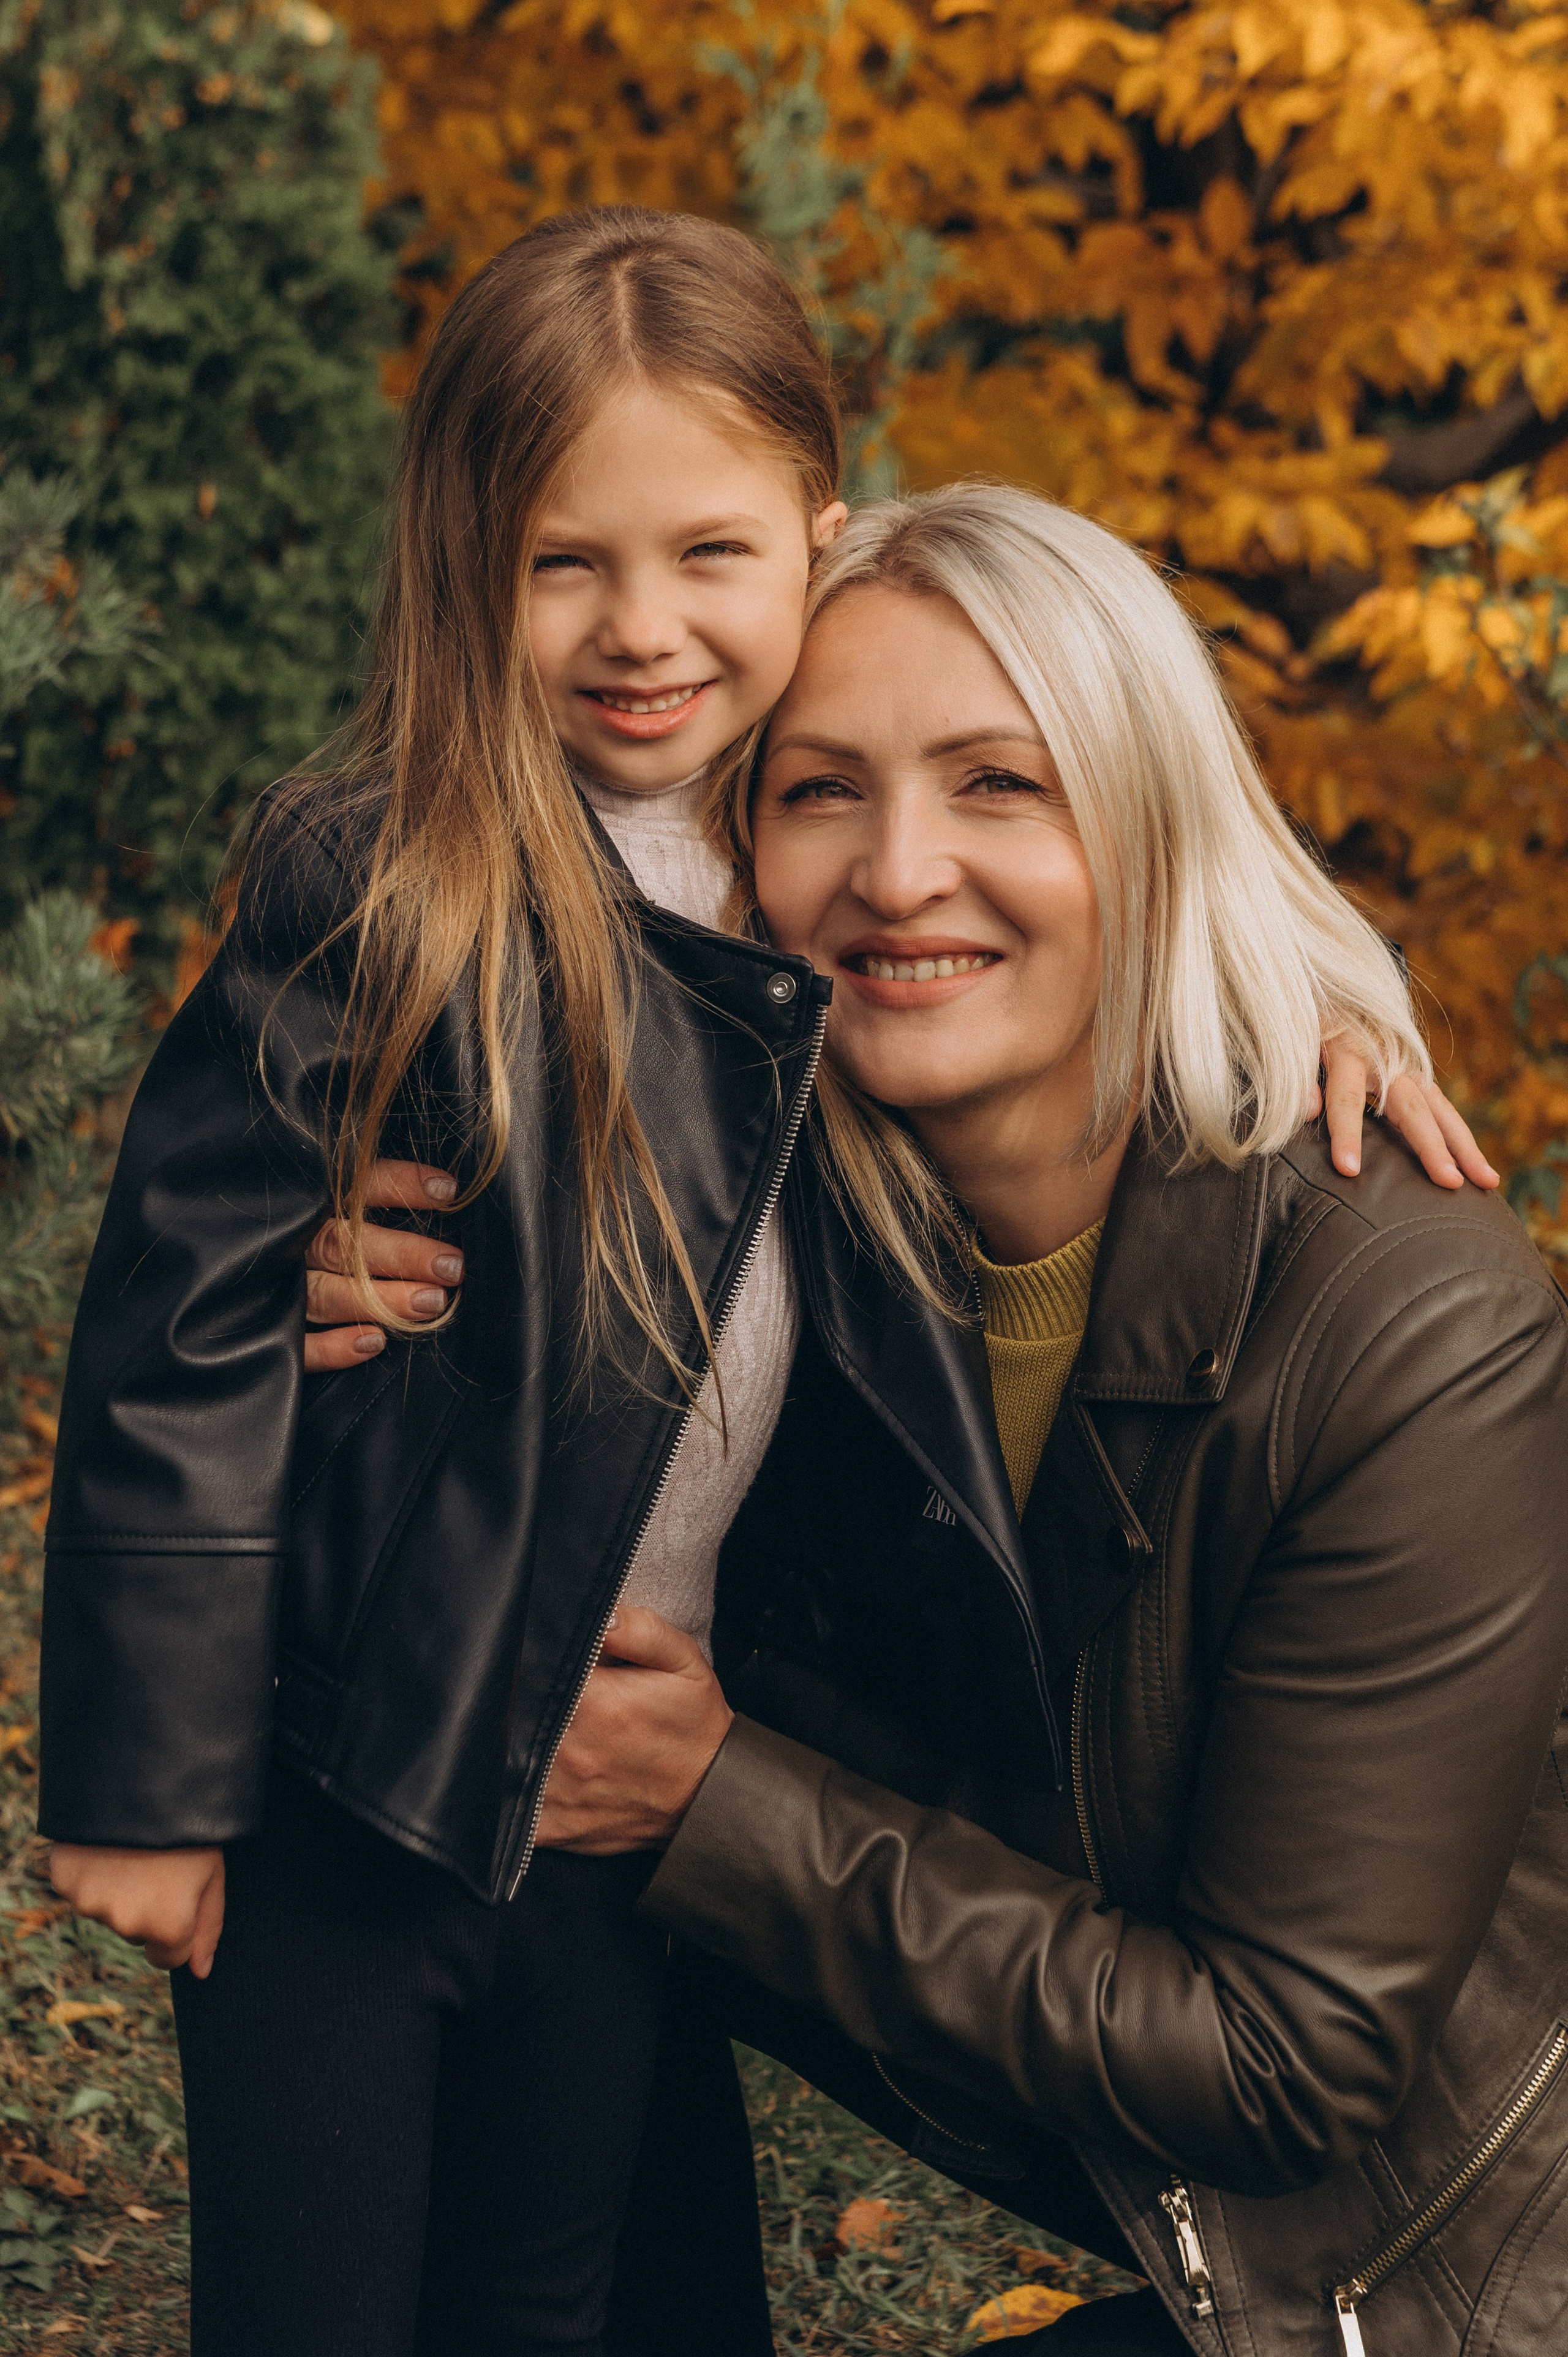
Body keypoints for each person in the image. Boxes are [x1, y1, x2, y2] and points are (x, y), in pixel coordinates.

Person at [508, 486, 1568, 2356]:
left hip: (1446, 2293)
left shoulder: (1405, 1317)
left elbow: (1285, 2058)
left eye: (1003, 785)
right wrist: (365, 1256)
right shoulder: (790, 1239)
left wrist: (715, 1801)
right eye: (819, 789)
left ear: (1152, 830)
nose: (900, 873)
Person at [37, 203, 858, 2357]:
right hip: (352, 1770)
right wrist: (146, 1781)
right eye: (562, 560)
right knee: (312, 2301)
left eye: (710, 556)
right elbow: (183, 1314)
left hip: (609, 1769)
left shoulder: (843, 848)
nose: (639, 628)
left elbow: (1131, 869)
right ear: (462, 560)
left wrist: (1323, 1005)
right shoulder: (389, 867)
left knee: (542, 2290)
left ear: (820, 543)